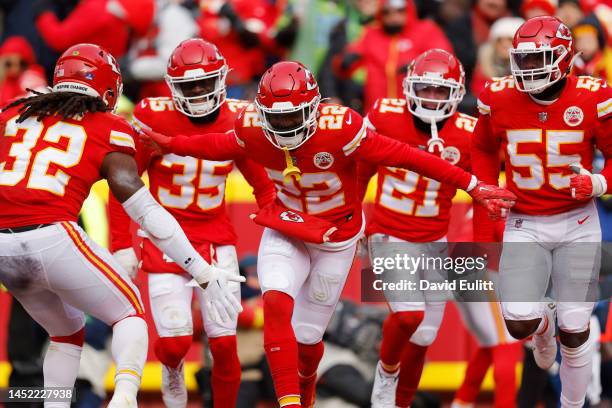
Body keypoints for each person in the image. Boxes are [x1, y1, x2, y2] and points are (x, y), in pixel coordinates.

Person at [139, 59, 516, 407]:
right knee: (275, 302)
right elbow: (218, 144)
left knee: (308, 340)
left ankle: (310, 383)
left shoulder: (342, 128)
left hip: (337, 237)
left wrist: (472, 184)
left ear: (314, 108)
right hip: (288, 229)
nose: (284, 127)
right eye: (276, 118)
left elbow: (407, 157)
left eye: (293, 117)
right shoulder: (252, 127)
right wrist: (171, 143)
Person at [0, 43, 242, 408]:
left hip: (4, 247)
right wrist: (201, 270)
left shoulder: (14, 111)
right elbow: (144, 209)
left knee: (65, 334)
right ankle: (125, 397)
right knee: (130, 311)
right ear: (109, 89)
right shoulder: (109, 125)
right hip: (51, 233)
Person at [109, 38, 275, 408]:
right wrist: (122, 243)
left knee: (225, 344)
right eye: (190, 85)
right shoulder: (152, 115)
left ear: (221, 79)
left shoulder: (240, 117)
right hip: (163, 241)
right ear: (172, 87)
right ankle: (172, 375)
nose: (199, 92)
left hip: (215, 239)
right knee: (174, 343)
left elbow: (263, 187)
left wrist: (280, 236)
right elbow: (123, 185)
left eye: (205, 82)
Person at [357, 48, 516, 408]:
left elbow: (482, 194)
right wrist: (354, 219)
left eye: (439, 91)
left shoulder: (467, 131)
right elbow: (360, 170)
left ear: (457, 93)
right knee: (410, 315)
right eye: (424, 89)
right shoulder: (384, 114)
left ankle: (402, 402)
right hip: (388, 231)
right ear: (409, 87)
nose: (430, 98)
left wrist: (480, 249)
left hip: (434, 238)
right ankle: (386, 371)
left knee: (425, 335)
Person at [471, 15, 612, 408]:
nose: (530, 69)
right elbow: (481, 146)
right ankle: (542, 327)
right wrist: (485, 185)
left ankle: (572, 405)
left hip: (578, 221)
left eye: (541, 59)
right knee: (519, 324)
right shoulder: (498, 95)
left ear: (565, 57)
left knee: (576, 327)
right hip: (525, 220)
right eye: (525, 59)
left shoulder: (593, 95)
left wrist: (598, 183)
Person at [0, 36, 47, 107]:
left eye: (22, 63)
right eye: (9, 64)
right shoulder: (4, 79)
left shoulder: (32, 76)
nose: (15, 69)